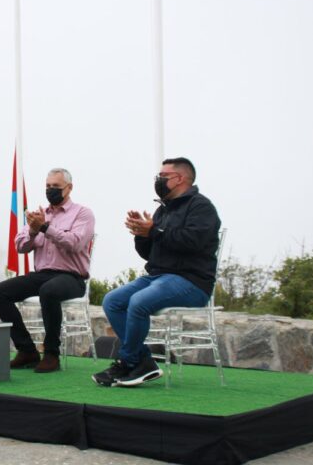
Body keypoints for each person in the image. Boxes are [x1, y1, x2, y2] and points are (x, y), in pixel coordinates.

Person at [93, 157, 221, 387]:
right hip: (157, 277)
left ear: (180, 178)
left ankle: (129, 362)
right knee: (112, 301)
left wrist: (155, 230)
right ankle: (143, 360)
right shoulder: (162, 211)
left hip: (191, 281)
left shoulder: (201, 207)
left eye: (163, 177)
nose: (158, 181)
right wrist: (142, 235)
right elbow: (150, 254)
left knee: (139, 302)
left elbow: (192, 242)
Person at [0, 168, 95, 373]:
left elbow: (74, 243)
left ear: (69, 188)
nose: (51, 190)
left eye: (56, 187)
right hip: (42, 275)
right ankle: (27, 350)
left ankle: (51, 353)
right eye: (48, 186)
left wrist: (45, 228)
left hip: (72, 277)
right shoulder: (39, 215)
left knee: (50, 290)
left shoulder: (83, 214)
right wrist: (32, 230)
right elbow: (20, 247)